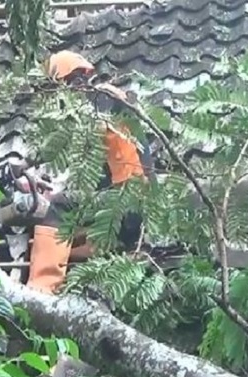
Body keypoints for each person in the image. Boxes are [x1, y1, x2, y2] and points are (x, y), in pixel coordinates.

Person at [25, 50, 155, 294]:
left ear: (71, 81)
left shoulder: (100, 99)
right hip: (132, 199)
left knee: (59, 207)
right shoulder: (111, 101)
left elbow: (62, 140)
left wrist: (25, 164)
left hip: (128, 199)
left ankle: (41, 288)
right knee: (72, 219)